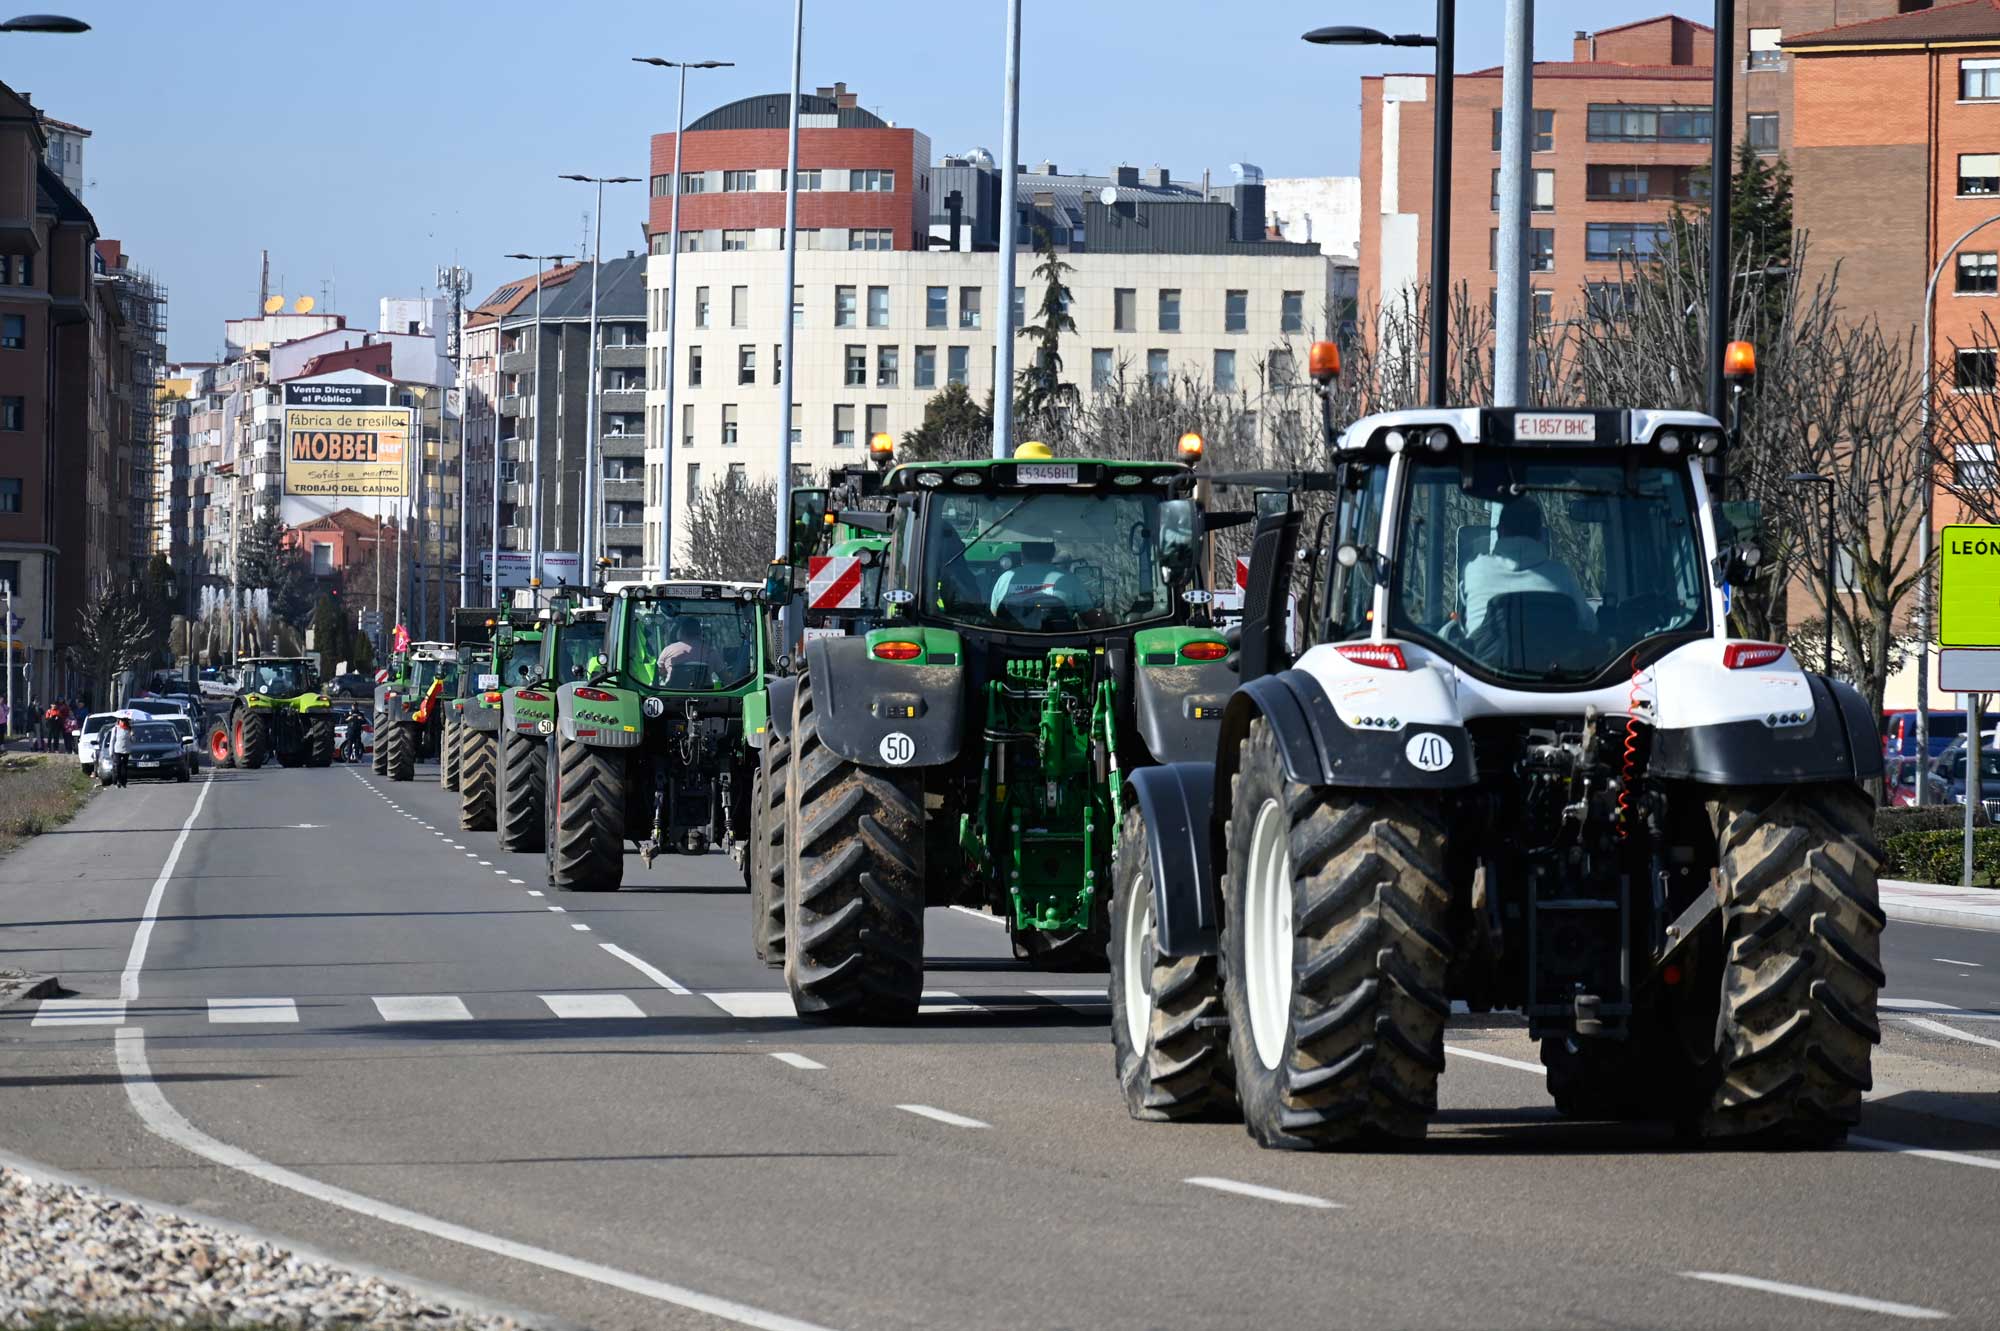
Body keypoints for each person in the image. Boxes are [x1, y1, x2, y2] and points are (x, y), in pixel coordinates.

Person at [1461, 498, 1598, 637]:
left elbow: (1465, 615)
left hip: (1476, 659)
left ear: (1499, 531)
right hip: (1556, 658)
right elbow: (1590, 625)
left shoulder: (1476, 570)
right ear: (1540, 534)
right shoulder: (1561, 575)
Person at [108, 714, 133, 788]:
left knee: (124, 767)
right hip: (117, 750)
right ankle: (118, 781)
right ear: (119, 721)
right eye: (122, 720)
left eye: (124, 720)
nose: (123, 722)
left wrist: (132, 735)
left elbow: (133, 741)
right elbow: (112, 741)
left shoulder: (129, 729)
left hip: (126, 750)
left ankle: (124, 782)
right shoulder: (115, 729)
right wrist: (111, 752)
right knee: (118, 765)